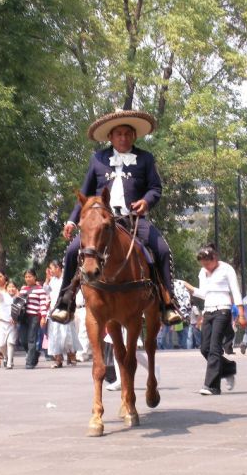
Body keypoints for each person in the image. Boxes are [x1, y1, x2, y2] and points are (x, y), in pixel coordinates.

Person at [51, 110, 181, 326]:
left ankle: (168, 303)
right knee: (73, 250)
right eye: (118, 134)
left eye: (127, 134)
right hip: (101, 221)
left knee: (162, 250)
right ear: (110, 137)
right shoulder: (97, 159)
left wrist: (146, 202)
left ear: (134, 136)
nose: (123, 138)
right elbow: (85, 193)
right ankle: (65, 302)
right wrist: (72, 220)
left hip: (134, 219)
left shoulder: (146, 158)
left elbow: (155, 188)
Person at [182, 244, 246, 395]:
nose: (206, 267)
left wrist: (241, 314)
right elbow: (204, 293)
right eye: (203, 265)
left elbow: (235, 291)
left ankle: (211, 386)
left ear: (214, 258)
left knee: (214, 348)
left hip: (223, 310)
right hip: (208, 311)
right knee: (205, 348)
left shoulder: (226, 269)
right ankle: (228, 369)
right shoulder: (202, 272)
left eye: (207, 264)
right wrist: (189, 287)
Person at [46, 260, 80, 368]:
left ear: (58, 268)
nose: (50, 271)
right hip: (54, 310)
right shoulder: (52, 280)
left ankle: (71, 356)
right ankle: (58, 359)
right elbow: (47, 292)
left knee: (68, 334)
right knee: (55, 335)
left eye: (51, 268)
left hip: (64, 309)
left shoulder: (66, 279)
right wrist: (47, 280)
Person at [19, 269, 47, 369]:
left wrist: (43, 317)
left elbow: (43, 304)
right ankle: (34, 353)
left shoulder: (40, 289)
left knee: (31, 339)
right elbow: (18, 304)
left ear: (35, 277)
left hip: (34, 317)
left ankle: (29, 362)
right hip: (23, 317)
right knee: (23, 340)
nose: (28, 279)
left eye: (30, 276)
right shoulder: (23, 289)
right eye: (26, 277)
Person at [0, 280, 19, 369]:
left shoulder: (19, 299)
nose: (11, 289)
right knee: (1, 344)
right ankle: (6, 357)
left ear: (16, 288)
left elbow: (21, 312)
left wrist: (16, 319)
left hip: (13, 325)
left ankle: (9, 363)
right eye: (9, 287)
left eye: (13, 287)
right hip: (2, 323)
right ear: (6, 288)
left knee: (10, 343)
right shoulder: (3, 296)